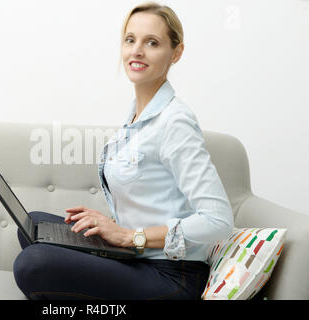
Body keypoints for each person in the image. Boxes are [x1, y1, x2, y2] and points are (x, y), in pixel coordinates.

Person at [13, 1, 234, 300]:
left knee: (33, 263)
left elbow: (218, 219)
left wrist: (130, 236)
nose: (137, 51)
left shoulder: (175, 122)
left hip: (172, 275)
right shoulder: (137, 116)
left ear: (176, 52)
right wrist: (111, 227)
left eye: (152, 43)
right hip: (136, 257)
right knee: (34, 225)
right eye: (130, 40)